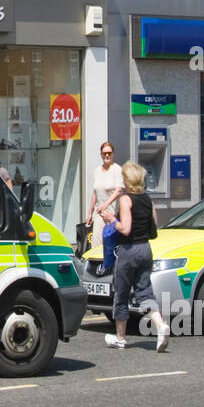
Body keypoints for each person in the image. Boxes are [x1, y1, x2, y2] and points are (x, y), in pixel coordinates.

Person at [104, 161, 171, 352]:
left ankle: (120, 338)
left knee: (122, 293)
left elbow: (125, 229)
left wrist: (111, 220)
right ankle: (160, 326)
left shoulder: (126, 200)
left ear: (127, 180)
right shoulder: (147, 199)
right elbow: (154, 223)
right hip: (145, 249)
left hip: (128, 250)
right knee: (145, 291)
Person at [85, 142, 123, 233]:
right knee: (97, 242)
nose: (107, 155)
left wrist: (105, 205)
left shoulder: (117, 169)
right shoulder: (97, 170)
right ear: (101, 154)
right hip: (99, 214)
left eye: (109, 153)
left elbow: (119, 190)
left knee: (111, 244)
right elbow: (95, 193)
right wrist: (90, 213)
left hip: (112, 215)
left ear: (113, 154)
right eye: (104, 153)